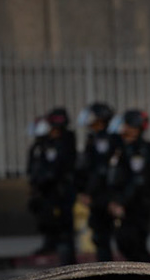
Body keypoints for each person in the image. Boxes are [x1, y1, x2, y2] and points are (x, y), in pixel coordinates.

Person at [26, 108, 79, 263]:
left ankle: (67, 259)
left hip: (60, 191)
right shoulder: (41, 145)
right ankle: (51, 245)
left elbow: (60, 167)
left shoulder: (65, 142)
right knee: (47, 220)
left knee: (63, 227)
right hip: (45, 192)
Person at [108, 109, 150, 262]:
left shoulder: (143, 149)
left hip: (136, 205)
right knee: (124, 243)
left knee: (134, 244)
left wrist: (122, 202)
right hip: (123, 203)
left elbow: (139, 181)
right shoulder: (121, 147)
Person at [77, 102, 121, 262]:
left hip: (104, 194)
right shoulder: (94, 138)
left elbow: (101, 170)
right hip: (98, 193)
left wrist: (89, 191)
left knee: (109, 236)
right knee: (100, 236)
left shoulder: (105, 139)